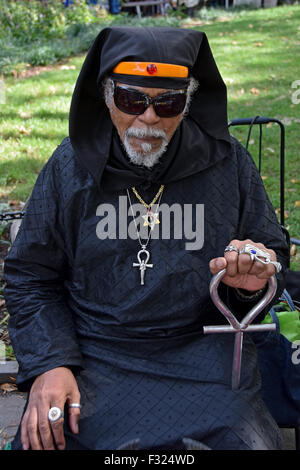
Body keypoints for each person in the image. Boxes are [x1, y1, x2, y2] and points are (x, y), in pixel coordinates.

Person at [4, 26, 289, 451]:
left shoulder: (229, 163)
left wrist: (250, 283)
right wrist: (51, 362)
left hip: (201, 350)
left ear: (189, 100)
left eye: (167, 103)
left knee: (244, 440)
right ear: (106, 94)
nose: (149, 117)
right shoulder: (70, 166)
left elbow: (270, 258)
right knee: (53, 436)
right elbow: (30, 277)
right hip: (93, 352)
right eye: (131, 100)